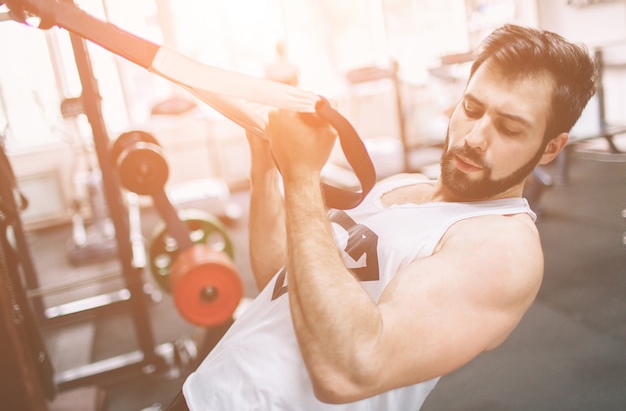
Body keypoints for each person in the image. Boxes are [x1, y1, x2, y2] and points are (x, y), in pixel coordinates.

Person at [173, 23, 596, 410]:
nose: (475, 137)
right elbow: (283, 283)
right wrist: (265, 162)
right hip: (202, 393)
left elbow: (350, 370)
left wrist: (302, 176)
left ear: (549, 148)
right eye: (471, 108)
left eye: (509, 128)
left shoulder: (503, 247)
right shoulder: (402, 187)